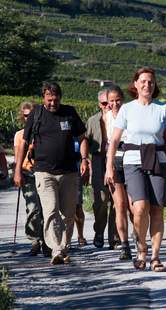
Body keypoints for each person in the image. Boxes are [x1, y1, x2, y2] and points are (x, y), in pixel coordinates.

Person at [105, 67, 166, 272]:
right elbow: (113, 141)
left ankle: (155, 257)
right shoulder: (127, 109)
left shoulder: (162, 108)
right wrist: (109, 167)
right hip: (133, 160)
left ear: (154, 85)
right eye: (143, 81)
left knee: (157, 209)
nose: (147, 84)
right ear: (136, 85)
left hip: (159, 160)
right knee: (139, 208)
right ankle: (141, 249)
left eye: (151, 81)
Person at [14, 82, 89, 265]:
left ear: (60, 98)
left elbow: (82, 138)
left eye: (55, 99)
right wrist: (18, 170)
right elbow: (24, 143)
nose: (52, 103)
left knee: (68, 213)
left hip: (69, 172)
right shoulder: (36, 114)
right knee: (51, 211)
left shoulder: (69, 112)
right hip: (43, 172)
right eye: (49, 99)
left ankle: (63, 247)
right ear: (43, 98)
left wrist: (85, 160)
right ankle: (57, 249)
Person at [13, 101, 50, 256]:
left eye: (31, 115)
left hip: (44, 172)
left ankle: (47, 242)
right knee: (33, 209)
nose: (29, 118)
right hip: (28, 174)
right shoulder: (19, 135)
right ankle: (35, 239)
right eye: (26, 115)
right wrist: (17, 173)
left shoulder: (43, 131)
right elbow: (17, 158)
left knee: (47, 209)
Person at [86, 90, 119, 250]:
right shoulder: (92, 121)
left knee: (117, 202)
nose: (108, 106)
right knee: (100, 201)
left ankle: (115, 237)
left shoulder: (121, 117)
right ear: (99, 104)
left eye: (110, 102)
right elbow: (86, 142)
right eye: (104, 103)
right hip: (99, 161)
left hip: (118, 160)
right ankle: (99, 232)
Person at [105, 85, 132, 260]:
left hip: (130, 159)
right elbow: (107, 144)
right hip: (114, 161)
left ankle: (138, 238)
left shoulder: (130, 112)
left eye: (118, 101)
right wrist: (107, 167)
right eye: (111, 101)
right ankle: (124, 245)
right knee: (120, 206)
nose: (115, 104)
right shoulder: (106, 116)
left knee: (133, 206)